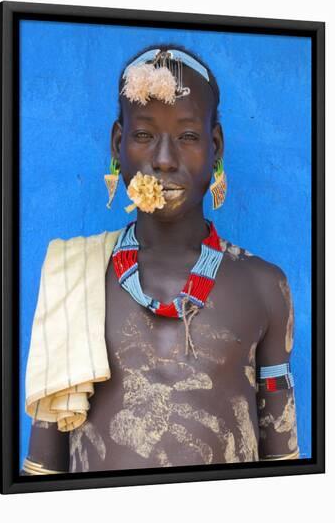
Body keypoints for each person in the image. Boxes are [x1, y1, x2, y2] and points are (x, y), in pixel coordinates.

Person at [21, 44, 299, 475]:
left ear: (216, 145)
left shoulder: (264, 287)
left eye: (187, 137)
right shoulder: (74, 277)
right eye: (144, 135)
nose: (164, 160)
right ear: (118, 143)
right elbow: (43, 468)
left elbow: (283, 461)